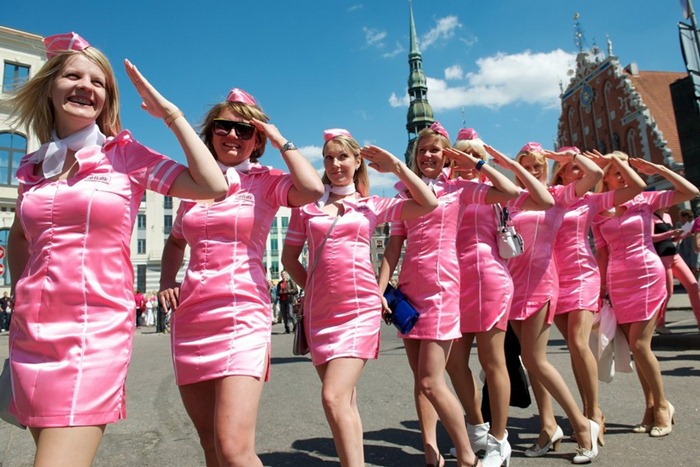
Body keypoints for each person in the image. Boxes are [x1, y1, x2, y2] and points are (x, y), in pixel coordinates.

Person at [6, 32, 228, 467]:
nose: (85, 86)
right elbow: (18, 237)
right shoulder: (34, 167)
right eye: (73, 76)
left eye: (98, 82)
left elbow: (213, 185)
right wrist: (19, 294)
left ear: (107, 98)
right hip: (31, 336)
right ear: (50, 86)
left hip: (93, 334)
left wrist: (170, 115)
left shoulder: (124, 155)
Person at [157, 87, 323, 466]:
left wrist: (278, 137)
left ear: (257, 140)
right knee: (210, 445)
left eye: (245, 130)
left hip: (242, 316)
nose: (233, 135)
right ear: (211, 132)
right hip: (192, 319)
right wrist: (167, 281)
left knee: (233, 448)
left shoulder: (265, 181)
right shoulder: (194, 185)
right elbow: (175, 241)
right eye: (223, 126)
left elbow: (313, 189)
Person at [282, 128, 438, 467]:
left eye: (342, 156)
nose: (335, 164)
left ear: (357, 161)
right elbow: (289, 258)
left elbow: (428, 203)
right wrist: (314, 287)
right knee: (344, 403)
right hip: (319, 314)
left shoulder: (372, 205)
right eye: (329, 157)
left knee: (332, 396)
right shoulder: (307, 206)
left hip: (359, 310)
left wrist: (397, 167)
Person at [377, 123, 518, 467]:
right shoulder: (404, 194)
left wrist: (477, 164)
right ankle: (431, 450)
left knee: (431, 379)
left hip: (442, 288)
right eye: (423, 150)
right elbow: (393, 247)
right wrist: (379, 291)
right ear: (415, 155)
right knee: (421, 380)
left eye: (436, 150)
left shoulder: (458, 190)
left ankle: (468, 454)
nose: (428, 155)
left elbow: (509, 191)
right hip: (408, 291)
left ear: (447, 156)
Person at [444, 129, 554, 467]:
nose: (465, 161)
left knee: (493, 361)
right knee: (453, 362)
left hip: (489, 278)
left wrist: (486, 166)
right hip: (455, 281)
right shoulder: (447, 190)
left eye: (473, 156)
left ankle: (499, 439)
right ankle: (478, 429)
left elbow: (544, 200)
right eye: (460, 155)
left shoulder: (495, 191)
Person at [508, 143, 602, 464]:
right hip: (513, 283)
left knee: (536, 359)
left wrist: (570, 157)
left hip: (542, 281)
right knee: (529, 360)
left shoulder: (559, 195)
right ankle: (548, 426)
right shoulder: (512, 199)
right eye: (526, 166)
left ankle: (582, 424)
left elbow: (595, 174)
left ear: (546, 169)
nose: (533, 171)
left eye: (537, 166)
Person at [593, 152, 698, 438]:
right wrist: (601, 289)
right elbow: (602, 253)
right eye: (614, 172)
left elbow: (690, 192)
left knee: (639, 345)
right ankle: (650, 407)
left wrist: (658, 168)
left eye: (623, 170)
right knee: (638, 348)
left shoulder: (645, 200)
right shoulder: (599, 209)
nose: (620, 176)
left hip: (647, 275)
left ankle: (663, 406)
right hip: (618, 281)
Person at [548, 149, 645, 448]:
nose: (580, 172)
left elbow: (637, 187)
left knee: (579, 342)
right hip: (554, 277)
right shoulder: (548, 197)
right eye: (573, 168)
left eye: (582, 168)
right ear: (561, 173)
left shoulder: (591, 200)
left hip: (582, 275)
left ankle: (593, 414)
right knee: (573, 348)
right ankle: (588, 410)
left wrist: (609, 160)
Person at [651, 207, 700, 332]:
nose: (669, 204)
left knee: (693, 286)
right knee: (667, 291)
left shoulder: (667, 216)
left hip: (674, 254)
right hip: (661, 256)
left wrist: (682, 236)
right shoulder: (650, 217)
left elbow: (670, 239)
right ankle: (659, 324)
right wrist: (669, 234)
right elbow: (650, 237)